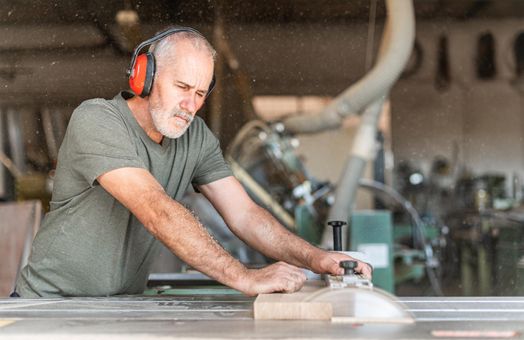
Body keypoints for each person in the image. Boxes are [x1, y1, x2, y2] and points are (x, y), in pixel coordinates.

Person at [15, 27, 371, 298]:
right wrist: (245, 276)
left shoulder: (195, 136)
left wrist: (316, 259)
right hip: (47, 305)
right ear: (146, 77)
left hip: (118, 308)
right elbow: (158, 211)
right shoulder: (97, 120)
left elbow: (245, 215)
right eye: (182, 87)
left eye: (200, 93)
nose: (190, 104)